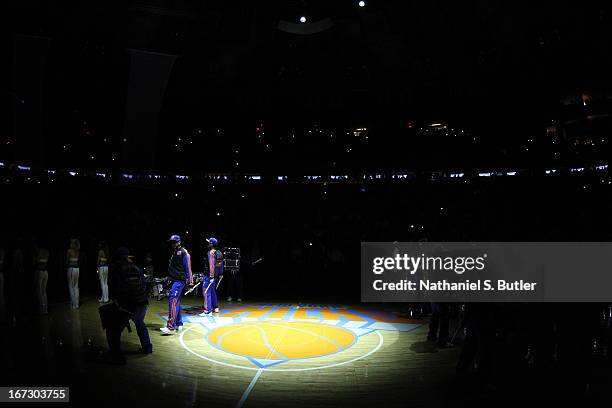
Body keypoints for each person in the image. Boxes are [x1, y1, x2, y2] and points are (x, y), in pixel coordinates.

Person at [106, 247, 152, 364]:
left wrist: (116, 301)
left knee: (114, 329)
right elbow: (145, 284)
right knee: (140, 323)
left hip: (128, 303)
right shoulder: (136, 267)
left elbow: (114, 287)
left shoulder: (117, 268)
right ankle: (147, 348)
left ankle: (117, 357)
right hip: (142, 302)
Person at [160, 235, 193, 335]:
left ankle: (170, 327)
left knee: (172, 300)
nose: (172, 243)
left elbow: (188, 268)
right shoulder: (174, 252)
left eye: (174, 242)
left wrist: (190, 282)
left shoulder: (184, 252)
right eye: (171, 242)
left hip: (180, 281)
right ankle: (179, 323)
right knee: (176, 301)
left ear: (179, 242)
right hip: (174, 280)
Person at [199, 237, 224, 316]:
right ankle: (215, 307)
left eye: (209, 243)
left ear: (211, 244)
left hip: (209, 276)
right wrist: (220, 274)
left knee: (206, 292)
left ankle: (207, 311)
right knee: (212, 291)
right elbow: (221, 265)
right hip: (215, 276)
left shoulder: (211, 253)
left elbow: (211, 265)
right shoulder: (219, 252)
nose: (207, 244)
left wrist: (211, 276)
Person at [34, 243, 50, 314]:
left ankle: (41, 310)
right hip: (46, 272)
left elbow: (34, 262)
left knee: (39, 291)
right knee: (44, 291)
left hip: (39, 271)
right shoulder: (47, 251)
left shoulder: (37, 250)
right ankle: (45, 309)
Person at [66, 238, 80, 309]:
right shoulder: (77, 251)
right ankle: (77, 304)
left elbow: (67, 261)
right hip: (77, 269)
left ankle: (73, 304)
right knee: (76, 286)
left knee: (71, 286)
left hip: (71, 269)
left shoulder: (69, 251)